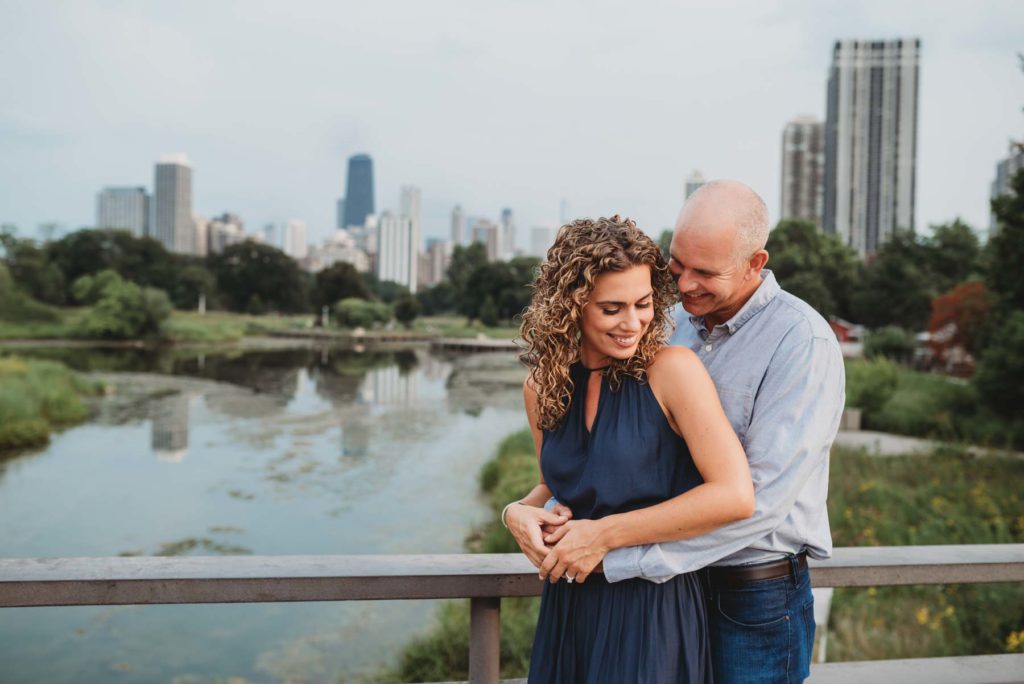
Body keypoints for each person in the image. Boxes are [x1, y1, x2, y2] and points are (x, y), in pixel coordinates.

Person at [539, 180, 846, 684]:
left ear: (755, 263)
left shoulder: (801, 342)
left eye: (706, 273)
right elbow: (614, 457)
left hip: (753, 595)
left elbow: (760, 501)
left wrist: (614, 555)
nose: (683, 287)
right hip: (670, 592)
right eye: (677, 266)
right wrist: (531, 513)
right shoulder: (667, 325)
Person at [504, 215, 756, 683]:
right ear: (572, 307)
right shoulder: (541, 387)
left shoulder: (673, 371)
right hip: (569, 604)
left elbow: (734, 495)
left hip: (653, 607)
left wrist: (603, 536)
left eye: (643, 304)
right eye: (612, 308)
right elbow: (553, 483)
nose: (633, 322)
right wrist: (516, 512)